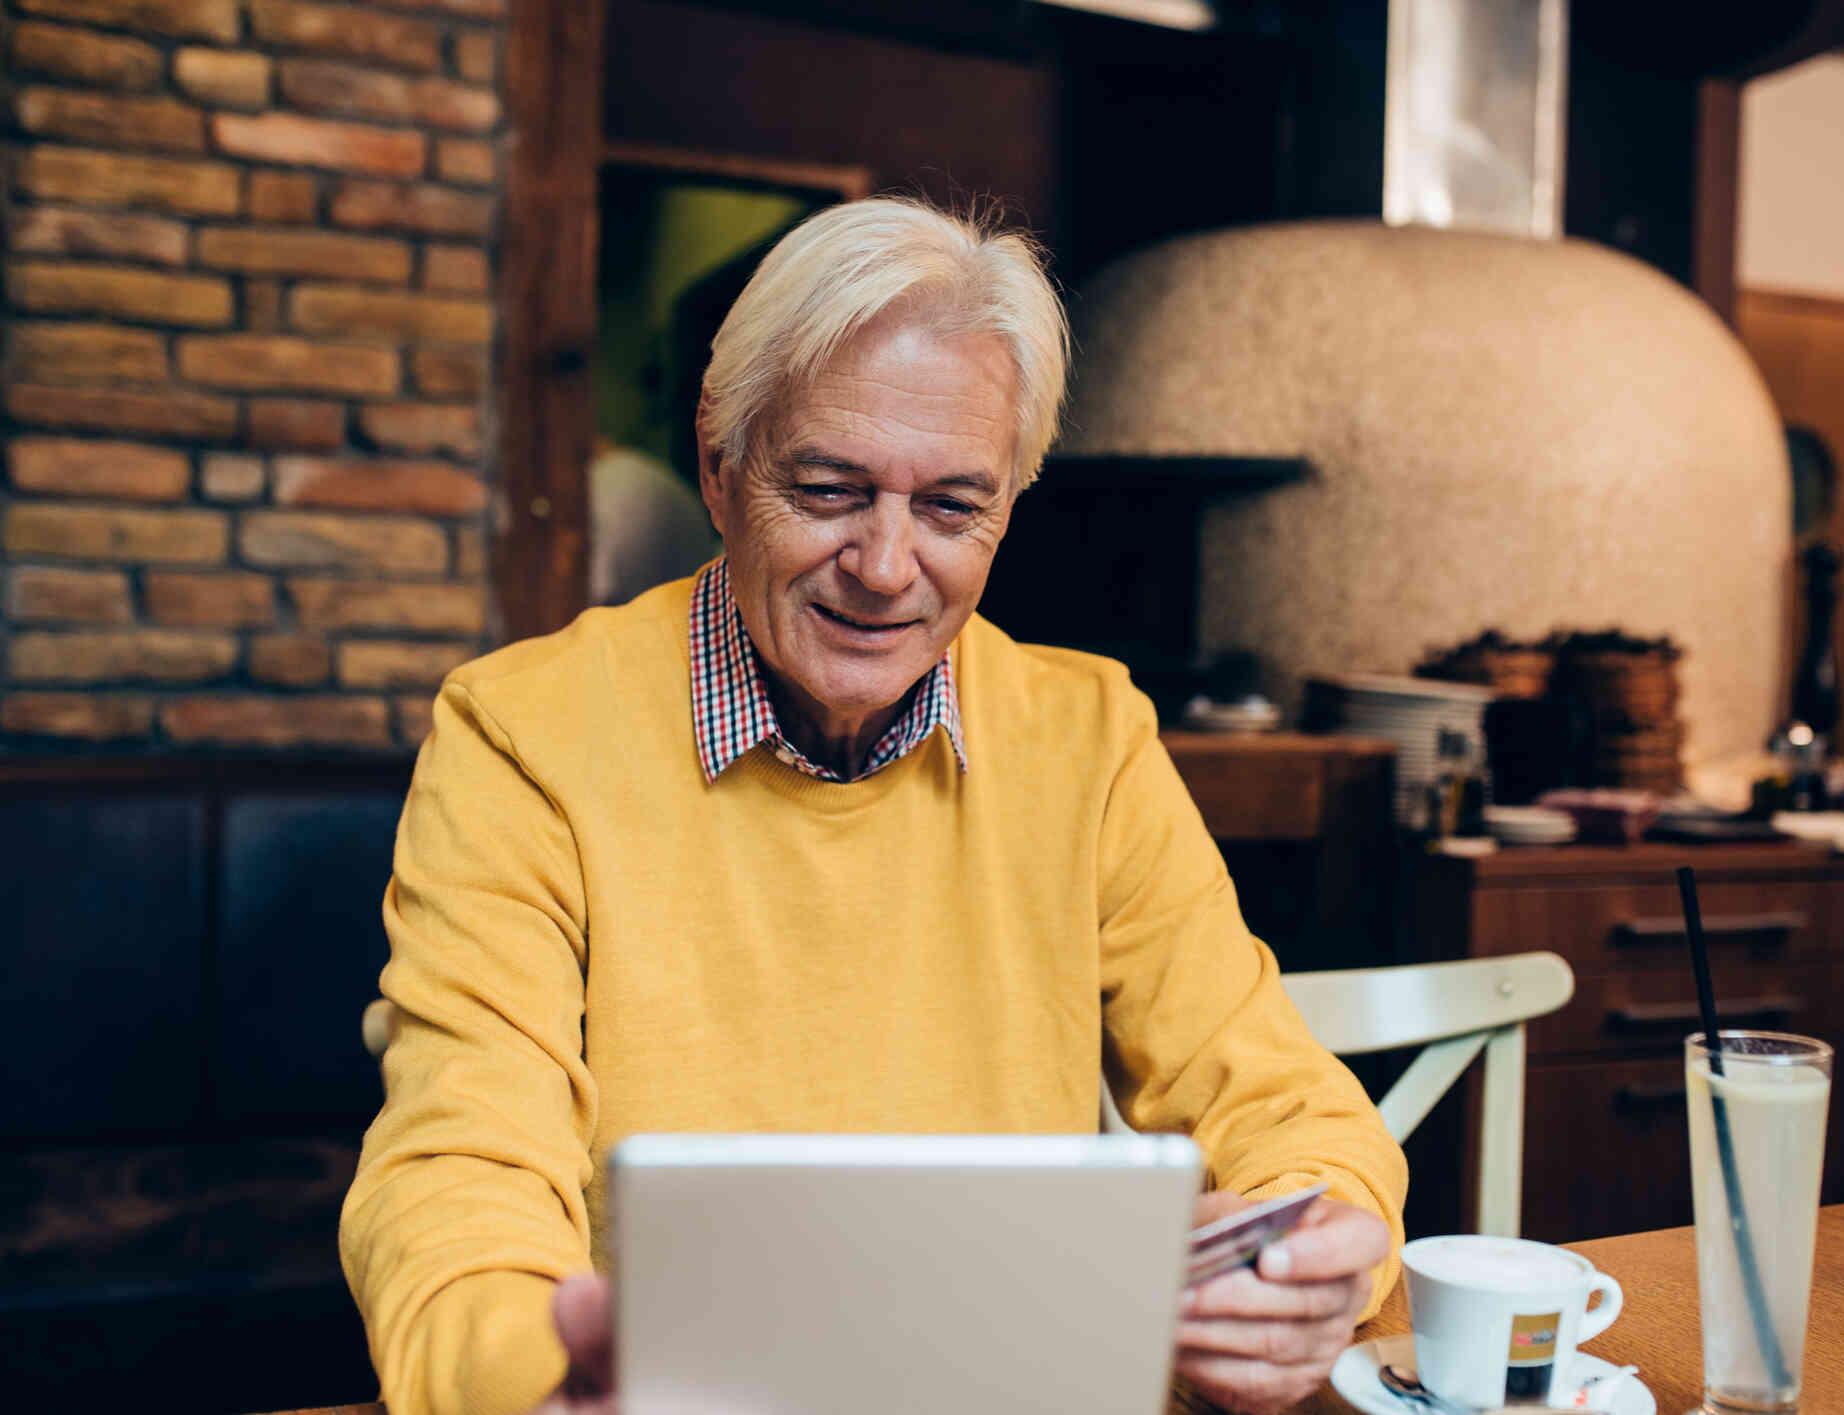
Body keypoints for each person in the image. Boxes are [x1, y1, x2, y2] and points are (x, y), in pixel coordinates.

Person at [340, 196, 1407, 1415]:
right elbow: (458, 1159)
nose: (889, 567)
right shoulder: (523, 734)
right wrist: (533, 1372)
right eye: (832, 489)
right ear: (720, 464)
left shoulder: (1089, 737)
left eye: (953, 505)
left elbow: (1283, 1101)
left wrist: (1317, 1249)